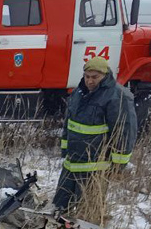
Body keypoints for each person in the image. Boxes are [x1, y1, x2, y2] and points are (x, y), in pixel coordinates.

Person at [54, 56, 137, 211]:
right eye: (87, 77)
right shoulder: (79, 93)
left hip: (95, 167)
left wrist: (119, 164)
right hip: (71, 164)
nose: (90, 81)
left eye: (95, 77)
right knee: (57, 209)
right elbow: (69, 124)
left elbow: (124, 131)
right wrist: (65, 150)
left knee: (85, 214)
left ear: (105, 76)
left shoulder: (117, 97)